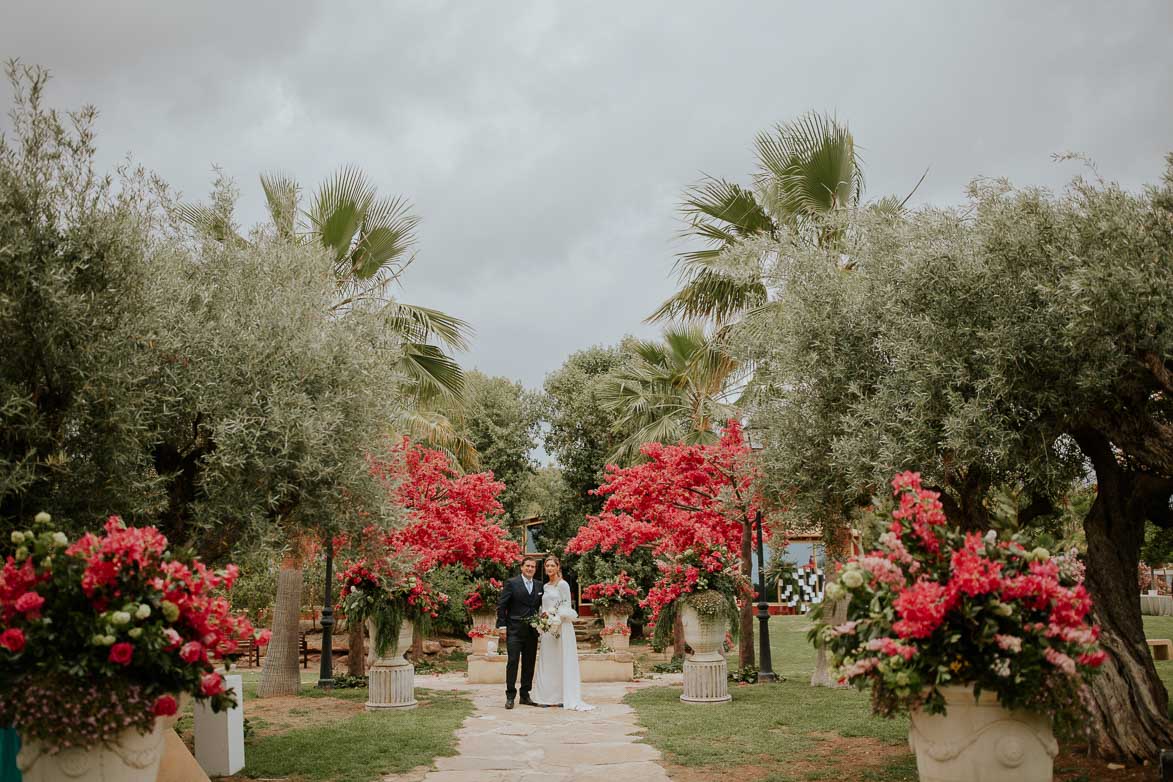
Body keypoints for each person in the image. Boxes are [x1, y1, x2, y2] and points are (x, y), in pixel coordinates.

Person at [530, 555, 593, 711]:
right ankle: (546, 696)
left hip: (561, 627)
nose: (550, 568)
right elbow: (543, 608)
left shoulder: (563, 585)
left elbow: (566, 606)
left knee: (561, 660)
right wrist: (543, 620)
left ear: (558, 567)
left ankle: (562, 696)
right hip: (547, 630)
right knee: (548, 661)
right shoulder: (545, 587)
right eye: (547, 566)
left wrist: (556, 618)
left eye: (552, 565)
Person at [496, 556, 543, 709]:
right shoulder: (512, 583)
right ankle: (510, 696)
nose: (530, 569)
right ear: (521, 567)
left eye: (533, 567)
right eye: (527, 566)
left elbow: (542, 607)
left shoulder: (539, 585)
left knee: (529, 664)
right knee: (513, 662)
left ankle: (525, 695)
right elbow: (502, 606)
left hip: (532, 631)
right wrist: (502, 626)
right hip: (514, 630)